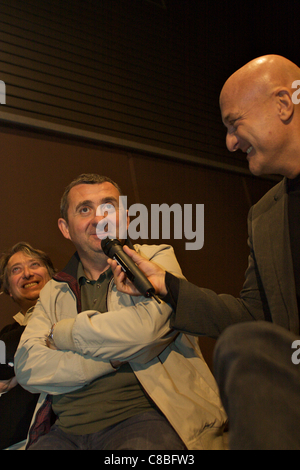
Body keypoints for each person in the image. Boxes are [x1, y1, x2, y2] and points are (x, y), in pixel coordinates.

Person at [107, 55, 300, 450]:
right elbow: (252, 318)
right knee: (240, 347)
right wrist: (167, 286)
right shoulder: (263, 218)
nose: (230, 142)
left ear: (283, 104)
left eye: (233, 124)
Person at [14, 173, 227, 450]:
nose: (98, 217)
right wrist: (111, 360)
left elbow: (146, 334)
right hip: (64, 432)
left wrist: (64, 335)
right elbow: (28, 367)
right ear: (65, 228)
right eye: (84, 209)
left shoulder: (156, 258)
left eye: (108, 206)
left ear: (125, 219)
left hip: (144, 419)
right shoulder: (52, 291)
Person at [0, 242, 55, 450]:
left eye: (34, 265)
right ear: (9, 290)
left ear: (52, 278)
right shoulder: (7, 333)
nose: (27, 274)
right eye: (16, 270)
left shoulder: (69, 314)